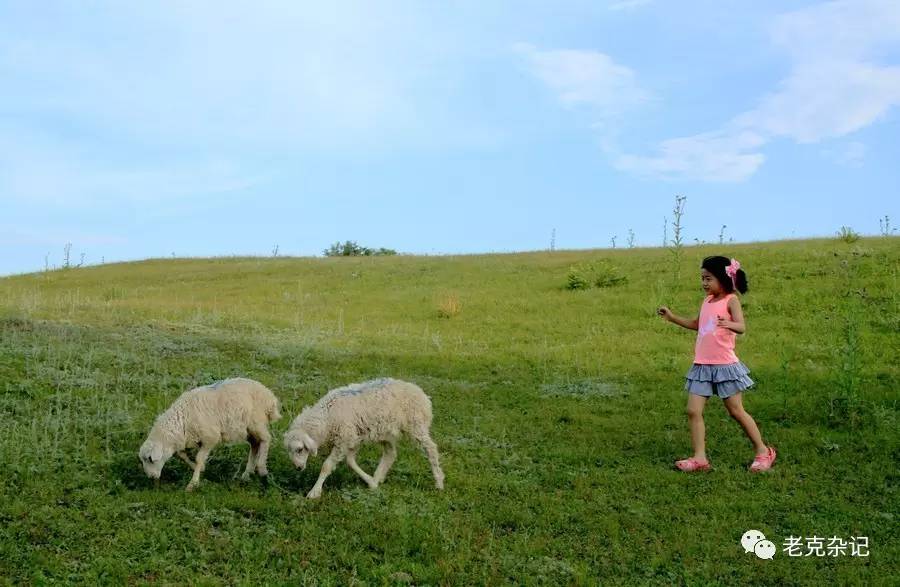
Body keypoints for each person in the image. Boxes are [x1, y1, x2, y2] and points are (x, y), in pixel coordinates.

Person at [657, 256, 776, 473]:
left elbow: (741, 327)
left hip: (724, 366)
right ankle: (699, 458)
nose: (704, 283)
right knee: (693, 411)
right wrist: (672, 317)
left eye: (708, 279)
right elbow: (696, 324)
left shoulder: (731, 300)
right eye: (702, 278)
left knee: (736, 411)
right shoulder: (707, 301)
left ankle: (763, 451)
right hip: (702, 365)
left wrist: (729, 323)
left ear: (723, 278)